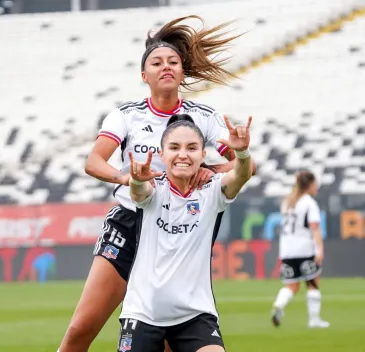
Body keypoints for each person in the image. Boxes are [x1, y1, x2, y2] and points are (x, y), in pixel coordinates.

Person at [58, 16, 256, 352]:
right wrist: (129, 177)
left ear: (182, 73)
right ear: (144, 75)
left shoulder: (204, 116)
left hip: (177, 225)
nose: (166, 67)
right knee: (81, 327)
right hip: (130, 220)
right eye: (156, 62)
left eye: (173, 62)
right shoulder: (127, 115)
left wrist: (209, 168)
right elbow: (93, 162)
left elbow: (244, 165)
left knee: (169, 336)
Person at [118, 113, 253, 351]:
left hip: (195, 315)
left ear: (203, 155)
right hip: (142, 313)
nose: (183, 154)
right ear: (162, 154)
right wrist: (136, 181)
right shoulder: (154, 189)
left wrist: (241, 153)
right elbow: (139, 193)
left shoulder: (212, 191)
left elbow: (241, 175)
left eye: (192, 148)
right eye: (174, 147)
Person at [271, 171, 330, 329]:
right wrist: (319, 249)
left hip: (287, 250)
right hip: (305, 248)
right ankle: (314, 320)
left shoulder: (288, 202)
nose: (316, 187)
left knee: (291, 286)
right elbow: (315, 228)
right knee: (312, 283)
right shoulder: (309, 203)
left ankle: (279, 304)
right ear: (310, 184)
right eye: (315, 183)